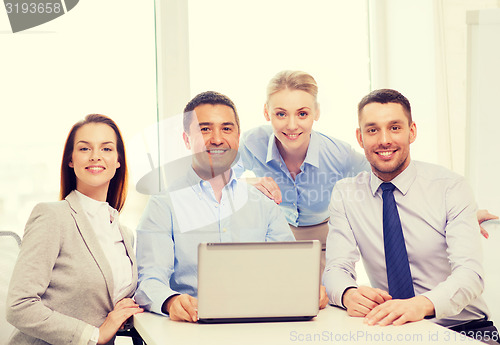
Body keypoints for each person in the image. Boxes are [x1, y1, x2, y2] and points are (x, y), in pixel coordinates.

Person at [134, 91, 328, 323]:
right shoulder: (163, 206)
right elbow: (149, 280)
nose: (217, 139)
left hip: (261, 326)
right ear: (186, 139)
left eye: (226, 129)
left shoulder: (263, 204)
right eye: (205, 129)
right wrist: (171, 301)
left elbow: (292, 274)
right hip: (192, 329)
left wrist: (309, 289)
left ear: (237, 136)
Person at [323, 89, 498, 343]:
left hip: (463, 328)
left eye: (394, 128)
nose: (384, 140)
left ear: (411, 131)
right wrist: (348, 293)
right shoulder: (345, 194)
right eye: (372, 130)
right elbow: (336, 269)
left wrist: (422, 304)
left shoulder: (451, 187)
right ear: (360, 138)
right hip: (394, 330)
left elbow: (470, 274)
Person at [6, 114, 143, 345]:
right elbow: (19, 306)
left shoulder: (124, 233)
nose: (96, 156)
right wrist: (94, 335)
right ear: (71, 160)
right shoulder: (52, 217)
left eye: (107, 149)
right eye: (84, 148)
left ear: (118, 160)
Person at [240, 70, 370, 272]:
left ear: (316, 112)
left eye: (302, 114)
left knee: (321, 300)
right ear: (267, 112)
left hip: (323, 243)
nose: (292, 126)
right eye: (281, 114)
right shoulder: (252, 142)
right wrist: (248, 184)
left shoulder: (339, 154)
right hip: (272, 237)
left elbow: (380, 178)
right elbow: (210, 179)